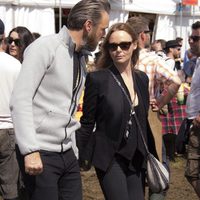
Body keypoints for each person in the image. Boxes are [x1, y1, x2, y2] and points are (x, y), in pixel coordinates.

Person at [9, 0, 110, 199]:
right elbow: (20, 99)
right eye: (103, 29)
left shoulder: (81, 57)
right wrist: (30, 150)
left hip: (67, 153)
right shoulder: (44, 47)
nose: (103, 35)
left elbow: (69, 107)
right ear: (88, 26)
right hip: (40, 151)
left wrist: (73, 149)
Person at [76, 22, 158, 200]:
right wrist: (79, 154)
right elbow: (88, 122)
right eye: (113, 46)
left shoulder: (142, 79)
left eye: (124, 45)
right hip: (109, 157)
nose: (118, 50)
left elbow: (142, 120)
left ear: (135, 44)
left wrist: (152, 154)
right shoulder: (97, 79)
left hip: (137, 156)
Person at [126, 16, 181, 200]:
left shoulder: (121, 57)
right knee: (159, 167)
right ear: (142, 35)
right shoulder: (152, 59)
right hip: (148, 117)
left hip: (124, 117)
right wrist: (160, 102)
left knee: (132, 169)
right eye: (148, 33)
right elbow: (176, 81)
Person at [0, 19, 22, 200]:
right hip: (8, 128)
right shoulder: (15, 65)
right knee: (10, 186)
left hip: (8, 127)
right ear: (3, 38)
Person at [185, 21, 200, 198]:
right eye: (191, 37)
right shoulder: (197, 61)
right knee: (191, 173)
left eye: (196, 38)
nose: (191, 41)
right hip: (194, 123)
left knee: (192, 172)